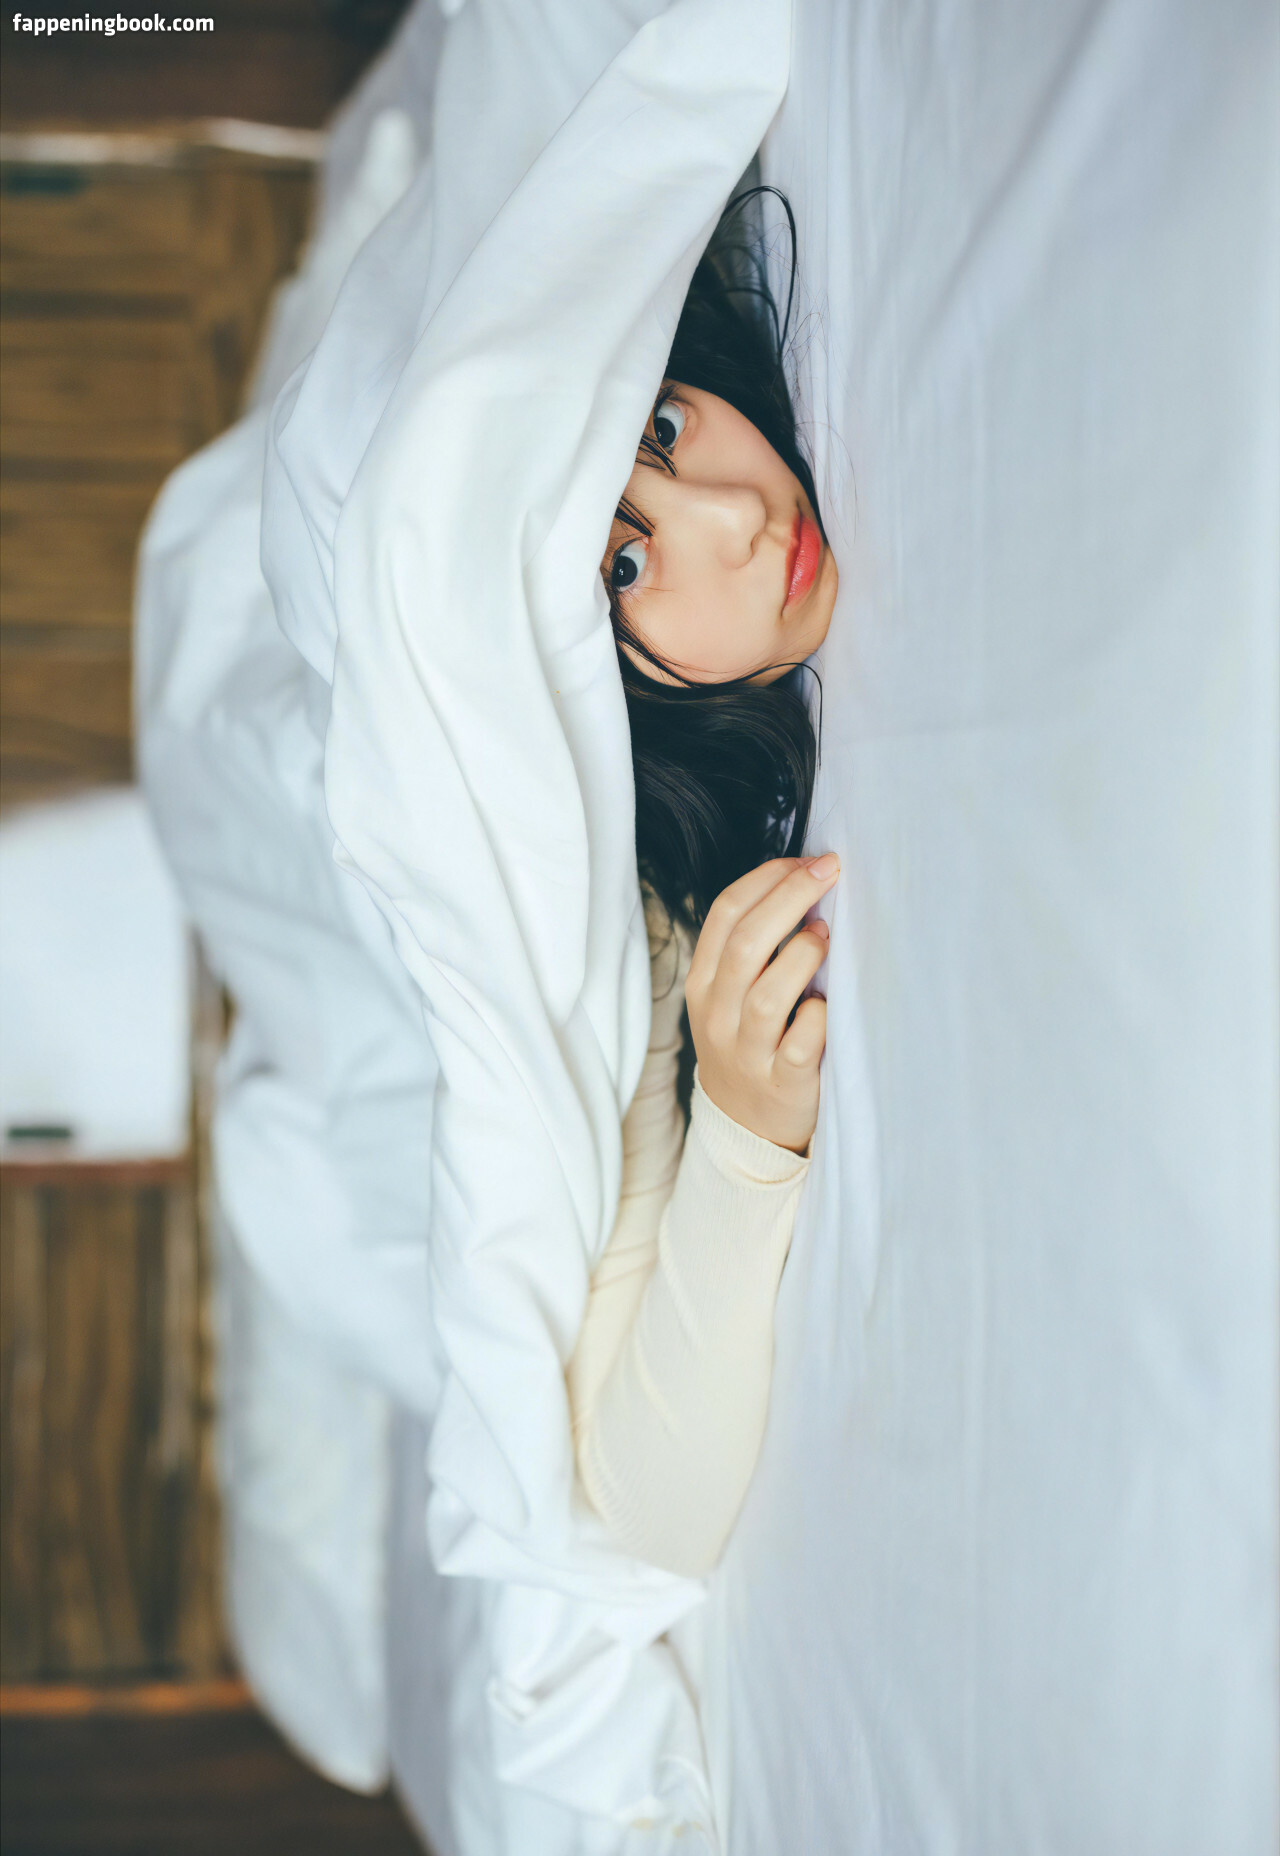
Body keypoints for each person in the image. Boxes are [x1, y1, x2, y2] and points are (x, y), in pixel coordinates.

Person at [567, 194, 840, 1577]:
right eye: (625, 566)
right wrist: (739, 1133)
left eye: (666, 432)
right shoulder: (635, 926)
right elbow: (643, 1509)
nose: (737, 512)